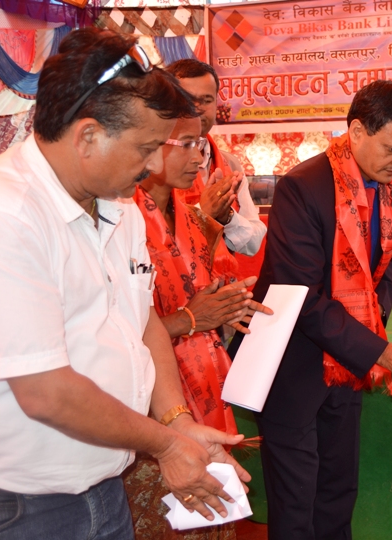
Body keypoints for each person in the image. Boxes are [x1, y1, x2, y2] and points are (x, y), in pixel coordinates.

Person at [0, 28, 249, 539]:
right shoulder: (3, 215)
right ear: (87, 136)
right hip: (20, 509)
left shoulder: (118, 205)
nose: (154, 165)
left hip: (104, 486)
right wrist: (166, 445)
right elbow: (45, 393)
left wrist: (176, 420)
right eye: (146, 148)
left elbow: (140, 319)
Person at [244, 80, 392, 539]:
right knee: (295, 501)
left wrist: (368, 335)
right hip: (292, 362)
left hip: (347, 360)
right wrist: (379, 352)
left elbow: (384, 268)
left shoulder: (386, 186)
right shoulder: (302, 187)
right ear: (356, 131)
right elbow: (301, 296)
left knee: (337, 489)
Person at [124, 115, 273, 540]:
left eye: (202, 146)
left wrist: (226, 309)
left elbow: (197, 299)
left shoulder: (193, 218)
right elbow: (118, 327)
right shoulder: (120, 217)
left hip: (204, 390)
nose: (199, 158)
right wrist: (191, 319)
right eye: (187, 144)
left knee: (212, 520)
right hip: (149, 407)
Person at [166, 59, 266, 257]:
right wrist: (203, 213)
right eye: (188, 99)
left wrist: (227, 218)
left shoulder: (230, 164)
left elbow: (253, 244)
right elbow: (150, 232)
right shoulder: (153, 160)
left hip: (222, 274)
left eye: (206, 100)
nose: (198, 108)